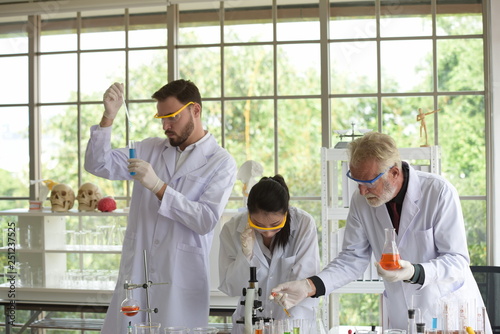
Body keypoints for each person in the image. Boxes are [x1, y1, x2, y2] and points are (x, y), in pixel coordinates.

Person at [270, 132, 491, 333]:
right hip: (402, 317)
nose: (361, 191)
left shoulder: (439, 192)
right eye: (356, 181)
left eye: (368, 182)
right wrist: (309, 286)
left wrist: (414, 272)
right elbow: (351, 259)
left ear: (394, 172)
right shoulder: (362, 200)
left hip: (447, 313)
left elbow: (457, 261)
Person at [84, 80, 237, 333]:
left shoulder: (221, 162)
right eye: (161, 118)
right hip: (137, 273)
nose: (165, 125)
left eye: (172, 117)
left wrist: (158, 187)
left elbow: (206, 219)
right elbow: (97, 164)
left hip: (181, 279)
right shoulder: (148, 149)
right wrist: (108, 117)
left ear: (195, 110)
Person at [219, 175, 320, 334]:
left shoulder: (303, 224)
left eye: (275, 225)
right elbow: (231, 288)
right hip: (248, 325)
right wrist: (245, 257)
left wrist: (285, 328)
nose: (267, 233)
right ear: (249, 213)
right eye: (258, 225)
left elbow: (303, 287)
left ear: (286, 213)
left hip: (292, 322)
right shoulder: (231, 230)